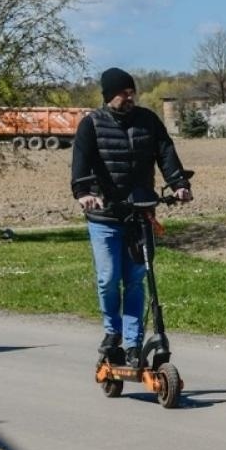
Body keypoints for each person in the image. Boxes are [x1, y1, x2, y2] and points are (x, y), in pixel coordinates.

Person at [70, 68, 194, 368]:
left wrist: (179, 184)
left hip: (140, 214)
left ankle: (133, 343)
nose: (129, 97)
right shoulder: (92, 124)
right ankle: (112, 333)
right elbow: (81, 161)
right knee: (109, 278)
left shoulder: (148, 120)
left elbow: (165, 152)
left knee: (137, 280)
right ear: (108, 95)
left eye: (131, 92)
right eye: (123, 93)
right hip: (105, 216)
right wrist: (83, 191)